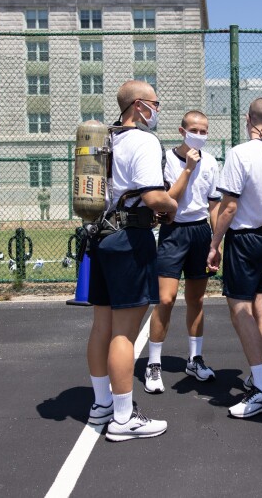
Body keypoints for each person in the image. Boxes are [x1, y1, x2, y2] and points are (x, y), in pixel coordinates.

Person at [85, 80, 178, 442]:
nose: (158, 109)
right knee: (124, 332)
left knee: (101, 327)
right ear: (139, 106)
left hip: (101, 237)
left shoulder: (105, 139)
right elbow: (154, 196)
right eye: (156, 102)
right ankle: (123, 419)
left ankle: (102, 404)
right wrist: (172, 205)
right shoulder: (143, 141)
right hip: (129, 238)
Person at [207, 97, 262, 419]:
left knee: (240, 311)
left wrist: (214, 243)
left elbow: (228, 206)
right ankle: (260, 376)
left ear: (247, 118)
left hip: (242, 239)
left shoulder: (239, 153)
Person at [144, 110, 221, 394]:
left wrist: (216, 242)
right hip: (173, 232)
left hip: (200, 233)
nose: (200, 135)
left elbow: (214, 205)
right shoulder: (165, 158)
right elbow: (167, 202)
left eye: (204, 131)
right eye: (194, 130)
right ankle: (153, 364)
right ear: (181, 130)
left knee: (196, 299)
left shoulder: (212, 162)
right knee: (165, 299)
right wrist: (188, 169)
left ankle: (195, 359)